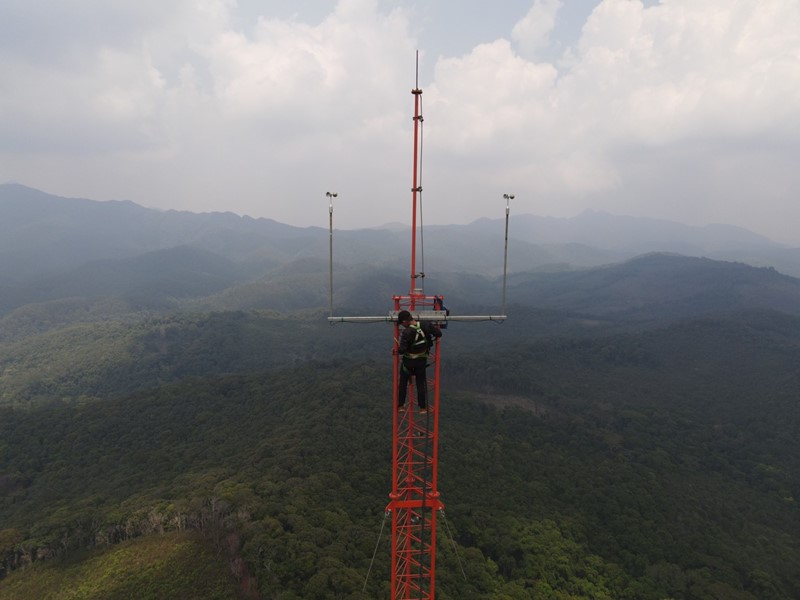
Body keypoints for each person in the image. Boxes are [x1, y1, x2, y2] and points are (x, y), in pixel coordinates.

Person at [396, 309, 442, 413]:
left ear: (404, 321)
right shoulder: (426, 325)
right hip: (421, 360)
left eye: (402, 324)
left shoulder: (406, 332)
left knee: (403, 383)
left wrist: (397, 350)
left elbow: (402, 350)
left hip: (408, 362)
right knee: (420, 382)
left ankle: (401, 406)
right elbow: (439, 334)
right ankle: (423, 407)